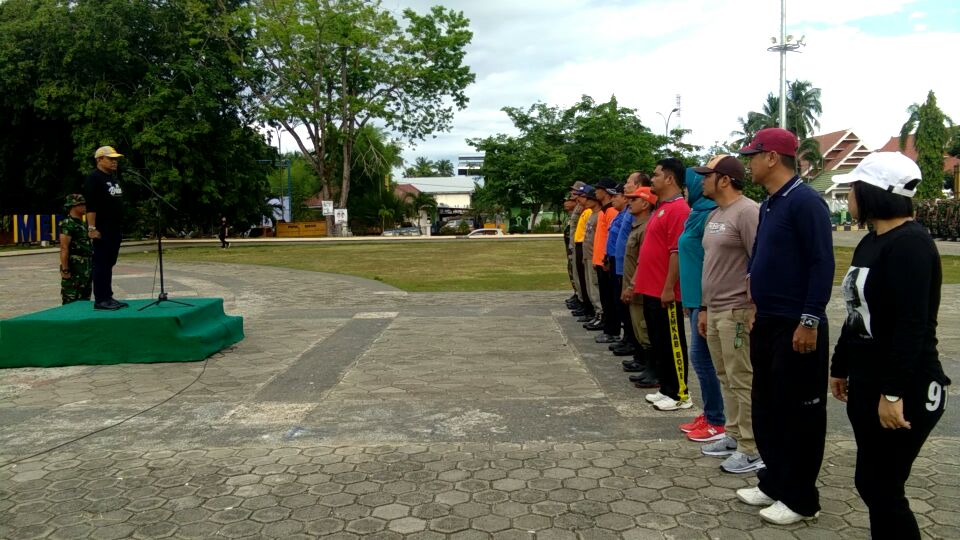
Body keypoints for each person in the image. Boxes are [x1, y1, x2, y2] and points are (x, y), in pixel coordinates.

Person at [828, 152, 950, 539]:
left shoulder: (911, 245)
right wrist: (839, 366)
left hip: (907, 386)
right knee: (871, 482)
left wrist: (893, 392)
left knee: (883, 486)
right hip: (868, 380)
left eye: (853, 188)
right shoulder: (871, 241)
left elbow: (912, 325)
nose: (849, 196)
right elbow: (857, 312)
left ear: (873, 193)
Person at [734, 128, 834, 525]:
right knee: (768, 408)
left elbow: (821, 263)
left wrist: (810, 319)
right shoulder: (771, 204)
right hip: (768, 321)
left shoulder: (806, 202)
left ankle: (801, 498)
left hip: (797, 324)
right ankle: (774, 481)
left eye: (753, 156)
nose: (749, 163)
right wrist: (754, 301)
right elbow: (761, 257)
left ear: (773, 157)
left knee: (799, 415)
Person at [696, 155, 763, 474]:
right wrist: (704, 308)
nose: (702, 181)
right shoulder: (715, 214)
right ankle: (734, 434)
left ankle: (751, 447)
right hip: (715, 309)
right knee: (725, 375)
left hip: (736, 310)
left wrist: (753, 305)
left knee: (741, 378)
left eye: (707, 175)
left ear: (724, 179)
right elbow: (710, 263)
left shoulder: (748, 211)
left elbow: (759, 261)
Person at [635, 157, 691, 411]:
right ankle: (667, 387)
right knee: (659, 341)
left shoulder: (679, 209)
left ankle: (680, 393)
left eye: (656, 174)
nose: (652, 178)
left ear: (669, 178)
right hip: (651, 289)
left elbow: (676, 252)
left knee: (672, 342)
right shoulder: (662, 207)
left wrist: (669, 287)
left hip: (665, 291)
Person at [676, 166, 724, 442]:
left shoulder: (709, 215)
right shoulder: (697, 214)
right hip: (695, 299)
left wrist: (701, 303)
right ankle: (710, 413)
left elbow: (710, 261)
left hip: (706, 300)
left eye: (688, 185)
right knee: (701, 358)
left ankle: (717, 419)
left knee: (702, 359)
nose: (686, 191)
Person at [620, 185, 658, 388]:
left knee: (646, 331)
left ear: (645, 204)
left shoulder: (646, 228)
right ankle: (647, 366)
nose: (629, 202)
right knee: (639, 330)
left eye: (634, 199)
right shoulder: (637, 226)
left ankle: (654, 371)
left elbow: (643, 262)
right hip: (633, 288)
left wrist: (632, 285)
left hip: (641, 290)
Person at [83, 145, 129, 311]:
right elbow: (91, 205)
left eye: (116, 159)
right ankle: (101, 299)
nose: (114, 162)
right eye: (111, 159)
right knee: (101, 263)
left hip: (115, 228)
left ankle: (108, 296)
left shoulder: (112, 178)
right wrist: (92, 228)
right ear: (99, 160)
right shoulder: (94, 178)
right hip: (102, 228)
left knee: (109, 262)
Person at [592, 178, 621, 341]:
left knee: (610, 298)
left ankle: (612, 331)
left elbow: (612, 238)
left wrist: (606, 258)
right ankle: (608, 328)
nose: (596, 192)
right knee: (605, 297)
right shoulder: (604, 211)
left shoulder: (611, 211)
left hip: (606, 261)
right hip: (600, 260)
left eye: (599, 188)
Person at [59, 194, 93, 305]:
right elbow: (64, 247)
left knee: (85, 300)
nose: (84, 207)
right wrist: (65, 269)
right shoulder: (68, 223)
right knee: (71, 299)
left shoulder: (83, 224)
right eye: (81, 204)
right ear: (73, 206)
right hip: (75, 267)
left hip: (86, 268)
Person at [573, 186, 596, 322]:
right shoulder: (584, 211)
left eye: (582, 196)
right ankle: (586, 305)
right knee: (582, 278)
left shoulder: (589, 212)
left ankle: (590, 309)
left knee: (588, 280)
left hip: (585, 245)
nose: (579, 199)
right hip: (580, 245)